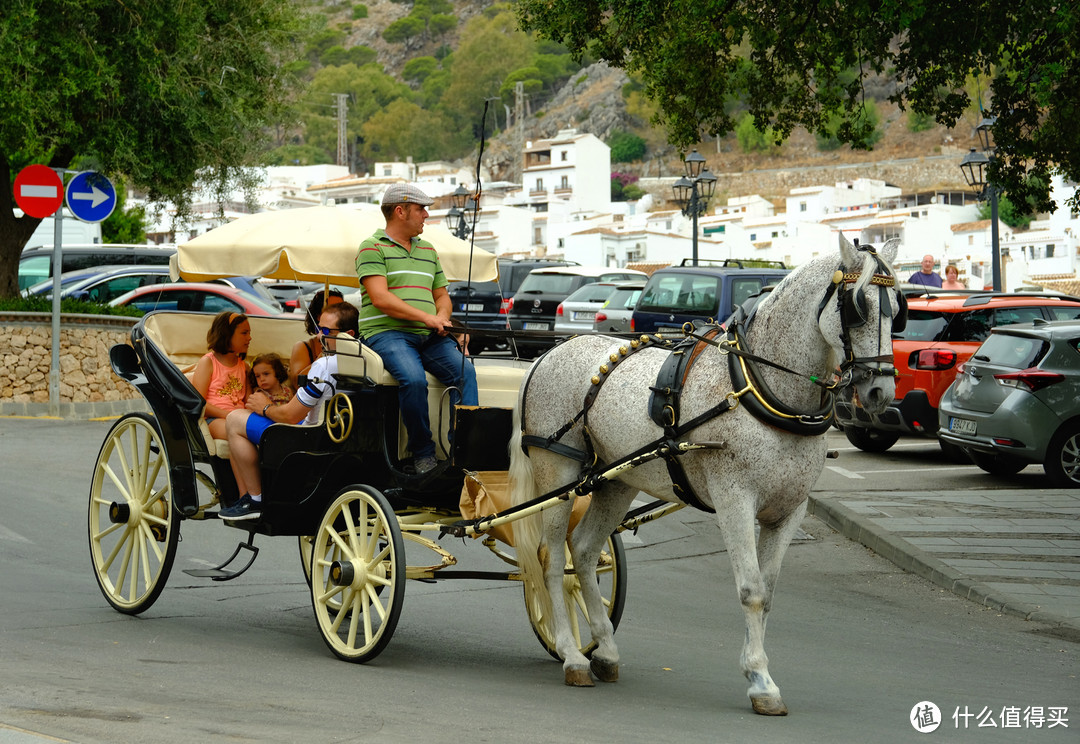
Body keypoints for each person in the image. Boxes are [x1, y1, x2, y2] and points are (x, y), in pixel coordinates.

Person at [355, 182, 478, 475]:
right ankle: (422, 453)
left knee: (466, 372)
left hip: (428, 335)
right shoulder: (371, 247)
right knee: (413, 380)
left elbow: (442, 296)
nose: (426, 215)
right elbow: (380, 298)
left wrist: (443, 317)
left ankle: (463, 451)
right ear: (400, 211)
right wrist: (428, 319)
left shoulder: (428, 250)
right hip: (386, 333)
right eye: (421, 209)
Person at [218, 301, 360, 521]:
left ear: (348, 334)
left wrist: (264, 407)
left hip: (309, 440)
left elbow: (290, 416)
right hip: (346, 437)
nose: (319, 336)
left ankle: (255, 499)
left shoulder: (325, 364)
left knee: (235, 419)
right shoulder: (368, 359)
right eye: (318, 329)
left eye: (325, 331)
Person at [192, 312, 251, 441]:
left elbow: (249, 402)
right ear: (227, 334)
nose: (250, 338)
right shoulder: (208, 362)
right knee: (241, 433)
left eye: (249, 333)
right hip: (215, 419)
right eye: (244, 333)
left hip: (240, 417)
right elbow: (199, 403)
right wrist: (229, 415)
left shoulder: (244, 367)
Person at [289, 287, 344, 390]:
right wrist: (324, 354)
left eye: (342, 308)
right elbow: (298, 383)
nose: (340, 314)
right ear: (319, 316)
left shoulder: (352, 344)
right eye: (333, 310)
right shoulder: (303, 347)